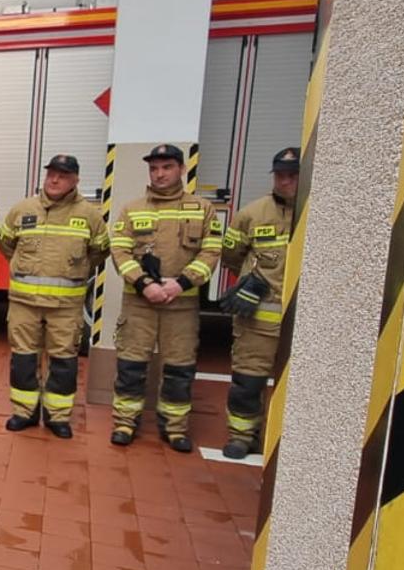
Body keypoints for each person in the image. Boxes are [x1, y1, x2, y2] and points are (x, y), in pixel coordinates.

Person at [108, 144, 221, 452]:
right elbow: (119, 250)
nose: (159, 174)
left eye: (166, 167)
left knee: (179, 368)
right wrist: (144, 284)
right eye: (154, 168)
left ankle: (174, 427)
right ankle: (124, 422)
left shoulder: (202, 209)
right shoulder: (132, 209)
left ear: (181, 169)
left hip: (181, 305)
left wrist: (181, 283)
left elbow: (211, 251)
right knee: (131, 365)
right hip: (139, 303)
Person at [0, 154, 109, 438]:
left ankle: (58, 417)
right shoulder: (23, 209)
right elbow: (6, 243)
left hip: (66, 306)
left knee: (63, 361)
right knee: (23, 359)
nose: (55, 180)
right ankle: (24, 412)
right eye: (51, 174)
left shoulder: (90, 216)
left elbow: (98, 252)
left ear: (75, 180)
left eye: (62, 175)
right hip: (24, 303)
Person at [218, 147, 299, 459]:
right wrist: (251, 281)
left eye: (292, 175)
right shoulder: (252, 214)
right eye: (280, 175)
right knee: (247, 382)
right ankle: (242, 436)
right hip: (258, 322)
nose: (285, 181)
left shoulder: (321, 214)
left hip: (302, 324)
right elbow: (231, 256)